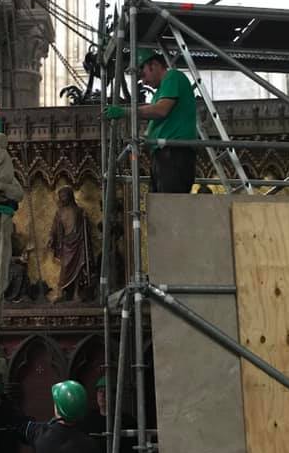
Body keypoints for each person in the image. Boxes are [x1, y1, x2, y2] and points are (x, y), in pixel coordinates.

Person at [104, 49, 197, 193]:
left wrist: (125, 111)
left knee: (169, 204)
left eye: (143, 75)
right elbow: (156, 122)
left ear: (154, 65)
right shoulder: (159, 92)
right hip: (163, 154)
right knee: (159, 205)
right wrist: (143, 139)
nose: (144, 81)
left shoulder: (172, 76)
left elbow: (161, 110)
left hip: (174, 153)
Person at [48, 186, 95, 302]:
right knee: (65, 268)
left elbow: (85, 228)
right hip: (66, 244)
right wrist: (51, 237)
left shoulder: (79, 211)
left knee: (79, 269)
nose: (63, 198)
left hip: (78, 243)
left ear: (70, 196)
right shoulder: (59, 212)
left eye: (65, 196)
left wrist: (85, 220)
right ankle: (60, 291)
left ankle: (76, 292)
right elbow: (55, 227)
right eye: (61, 196)